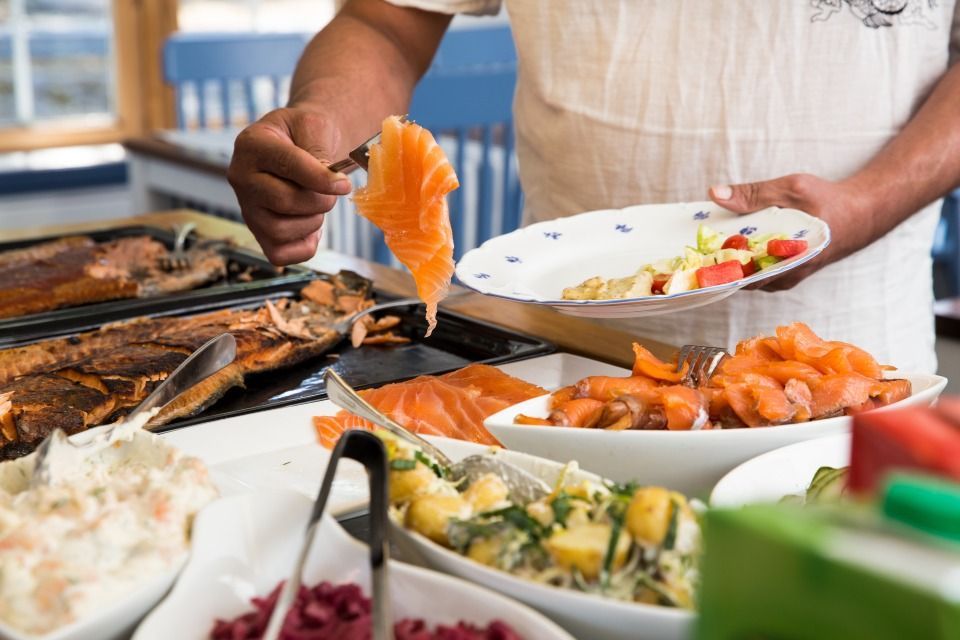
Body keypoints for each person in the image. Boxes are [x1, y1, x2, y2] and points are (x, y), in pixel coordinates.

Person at [228, 0, 960, 373]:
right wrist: (318, 125)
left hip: (854, 368)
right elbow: (385, 22)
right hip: (559, 362)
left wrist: (868, 202)